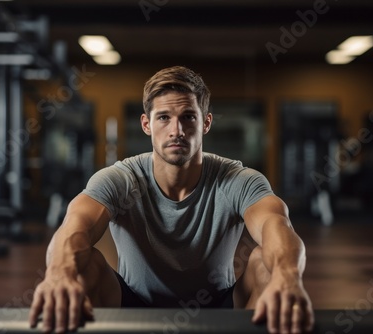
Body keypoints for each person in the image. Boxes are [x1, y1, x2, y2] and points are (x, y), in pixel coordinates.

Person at [29, 66, 314, 334]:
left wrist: (288, 276)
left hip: (218, 309)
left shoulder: (238, 180)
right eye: (164, 117)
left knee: (266, 263)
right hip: (134, 306)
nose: (176, 130)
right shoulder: (120, 179)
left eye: (188, 116)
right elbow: (75, 227)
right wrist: (58, 273)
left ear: (206, 123)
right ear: (146, 124)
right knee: (83, 263)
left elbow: (276, 226)